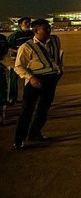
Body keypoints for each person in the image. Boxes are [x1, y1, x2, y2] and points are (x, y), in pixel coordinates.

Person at [13, 19, 63, 149]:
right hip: (35, 80)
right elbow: (18, 67)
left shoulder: (55, 40)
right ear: (36, 31)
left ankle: (35, 133)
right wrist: (31, 78)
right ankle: (19, 139)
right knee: (27, 110)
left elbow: (58, 56)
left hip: (51, 80)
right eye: (45, 29)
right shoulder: (26, 47)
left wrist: (59, 69)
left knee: (43, 109)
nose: (49, 30)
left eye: (49, 28)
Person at [6, 17, 34, 104]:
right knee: (13, 79)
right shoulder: (14, 35)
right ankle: (12, 97)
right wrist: (19, 51)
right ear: (20, 24)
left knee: (30, 77)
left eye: (29, 23)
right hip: (16, 60)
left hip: (30, 60)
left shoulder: (31, 34)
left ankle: (29, 97)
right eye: (26, 23)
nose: (28, 24)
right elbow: (8, 48)